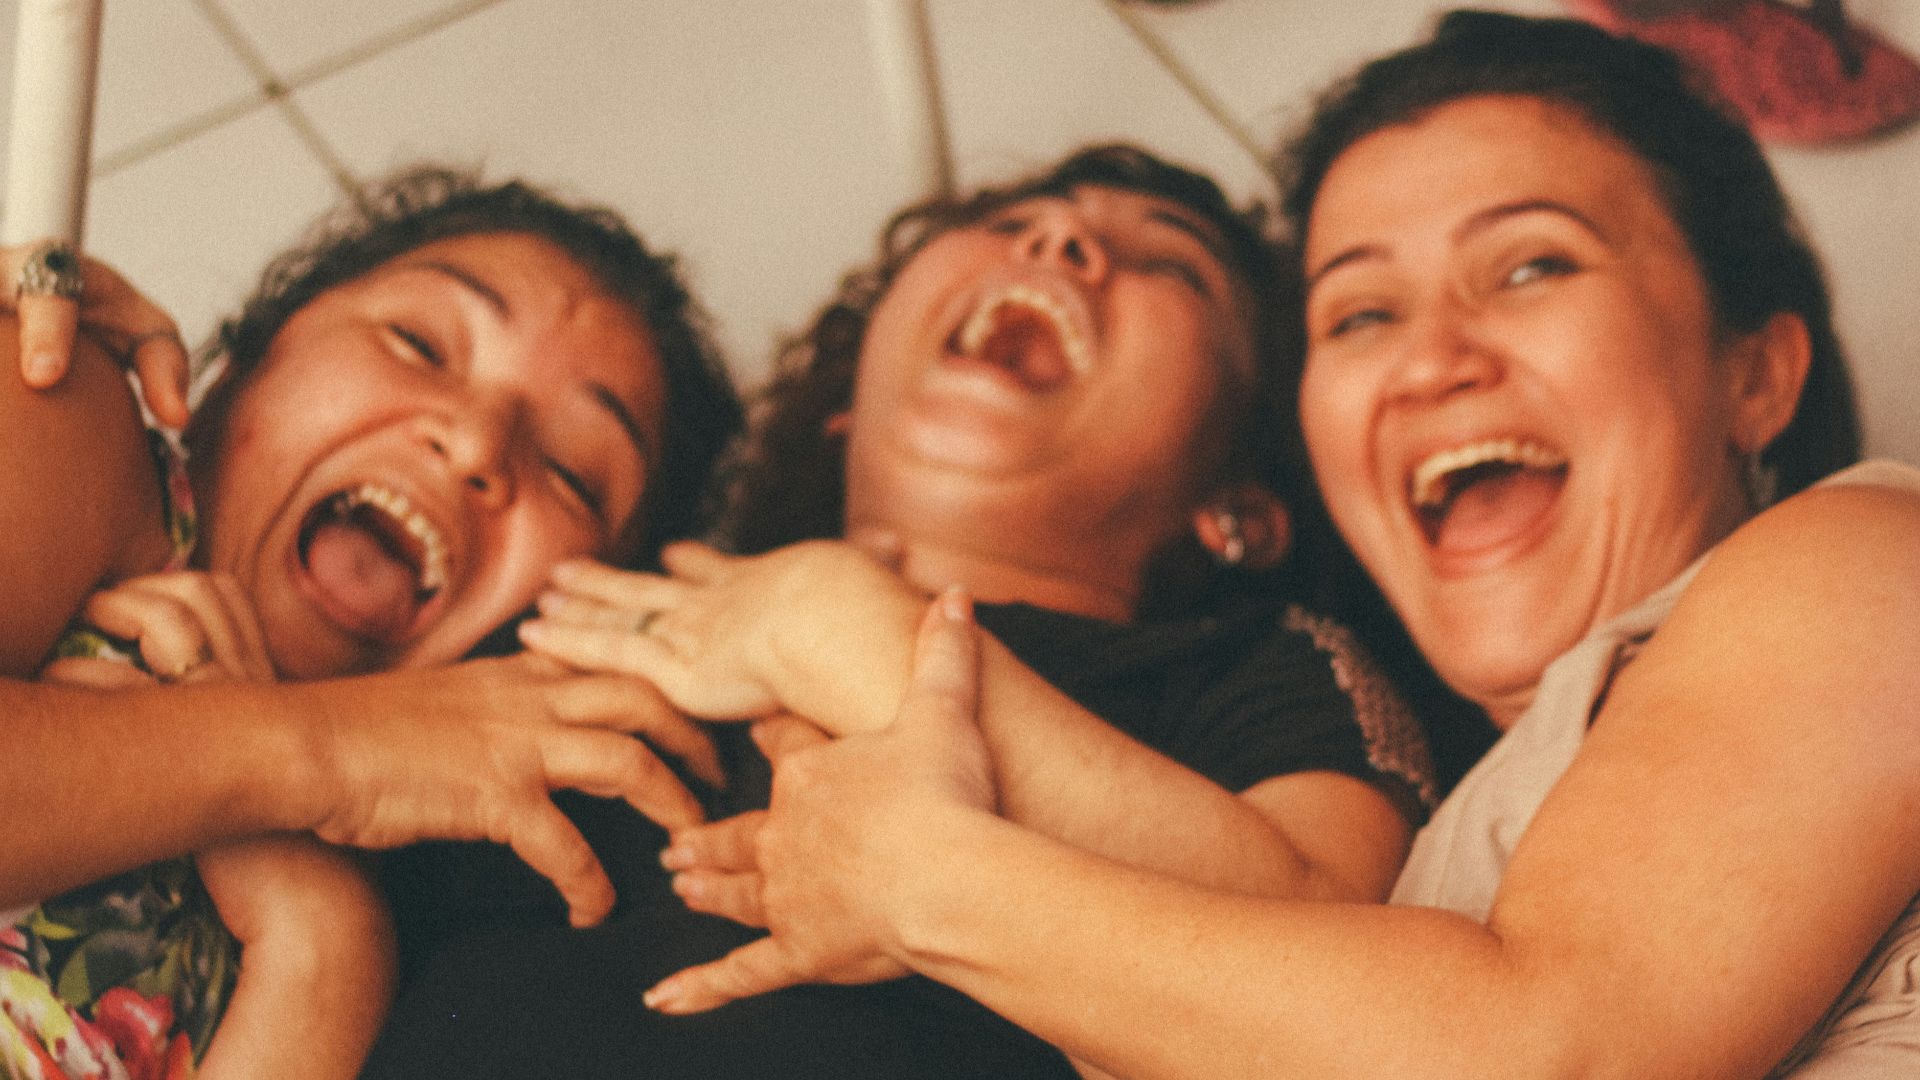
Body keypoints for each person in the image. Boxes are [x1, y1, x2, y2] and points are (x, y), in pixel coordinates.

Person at [613, 12, 1920, 1079]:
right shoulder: (1434, 876)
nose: (1428, 357)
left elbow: (1553, 1051)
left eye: (1531, 268)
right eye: (1358, 314)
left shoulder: (1862, 561)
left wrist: (930, 885)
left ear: (1757, 374)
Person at [359, 144, 1434, 1079]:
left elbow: (1334, 974)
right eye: (1009, 224)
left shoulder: (1260, 663)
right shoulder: (612, 605)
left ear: (1238, 508)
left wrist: (844, 629)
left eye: (1169, 267)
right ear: (842, 404)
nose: (1063, 241)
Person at [0, 166, 741, 1078]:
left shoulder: (363, 935)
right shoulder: (73, 419)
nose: (475, 443)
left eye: (573, 475)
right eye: (417, 342)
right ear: (247, 354)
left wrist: (322, 952)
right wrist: (317, 750)